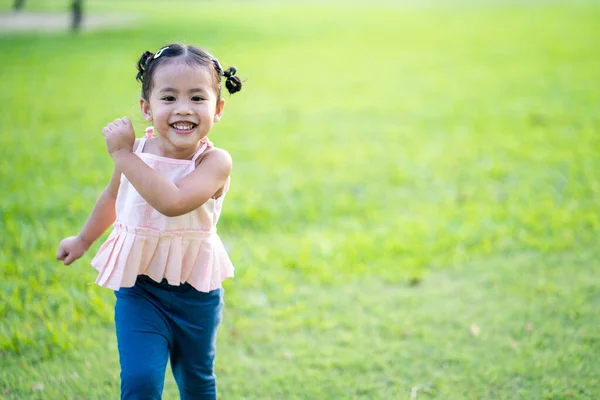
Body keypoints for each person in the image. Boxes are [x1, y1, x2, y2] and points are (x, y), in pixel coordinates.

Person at [56, 43, 243, 399]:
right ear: (147, 108)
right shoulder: (137, 154)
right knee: (141, 380)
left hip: (195, 295)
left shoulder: (215, 162)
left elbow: (172, 202)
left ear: (217, 109)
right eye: (169, 98)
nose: (183, 109)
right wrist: (82, 240)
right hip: (140, 289)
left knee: (196, 379)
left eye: (197, 98)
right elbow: (113, 198)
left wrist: (123, 155)